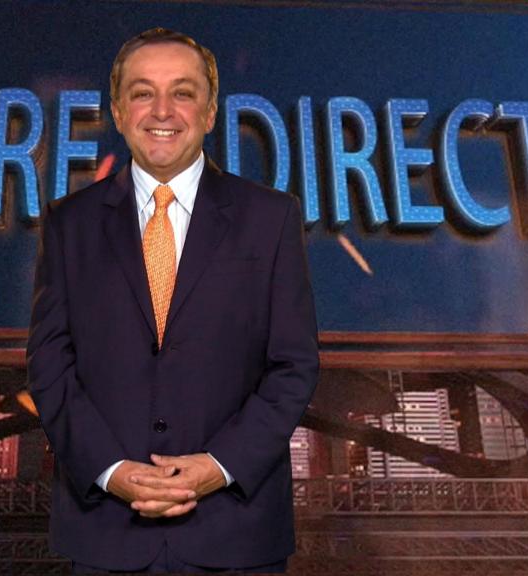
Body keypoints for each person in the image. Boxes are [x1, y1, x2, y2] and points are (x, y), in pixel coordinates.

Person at [26, 27, 318, 573]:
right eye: (143, 92)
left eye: (182, 92)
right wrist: (110, 471)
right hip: (105, 535)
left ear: (209, 113)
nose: (162, 110)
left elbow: (294, 365)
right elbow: (49, 365)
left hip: (238, 533)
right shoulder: (68, 224)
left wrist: (219, 466)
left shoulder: (271, 217)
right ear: (118, 112)